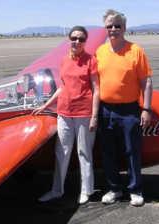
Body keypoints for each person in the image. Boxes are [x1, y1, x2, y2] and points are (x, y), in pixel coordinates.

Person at [32, 26, 100, 205]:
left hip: (84, 112)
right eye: (73, 38)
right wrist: (45, 105)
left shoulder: (91, 60)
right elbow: (62, 88)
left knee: (84, 152)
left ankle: (86, 191)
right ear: (69, 40)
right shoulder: (64, 60)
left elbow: (96, 89)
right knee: (61, 152)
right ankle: (56, 191)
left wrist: (94, 115)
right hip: (64, 112)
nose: (77, 42)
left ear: (85, 41)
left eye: (81, 39)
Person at [95, 9, 153, 206]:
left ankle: (135, 190)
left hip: (128, 111)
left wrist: (146, 109)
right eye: (109, 26)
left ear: (124, 27)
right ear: (105, 29)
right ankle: (114, 188)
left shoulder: (135, 51)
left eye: (117, 25)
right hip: (105, 111)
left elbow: (146, 82)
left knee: (131, 151)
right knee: (108, 152)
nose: (113, 29)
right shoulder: (100, 52)